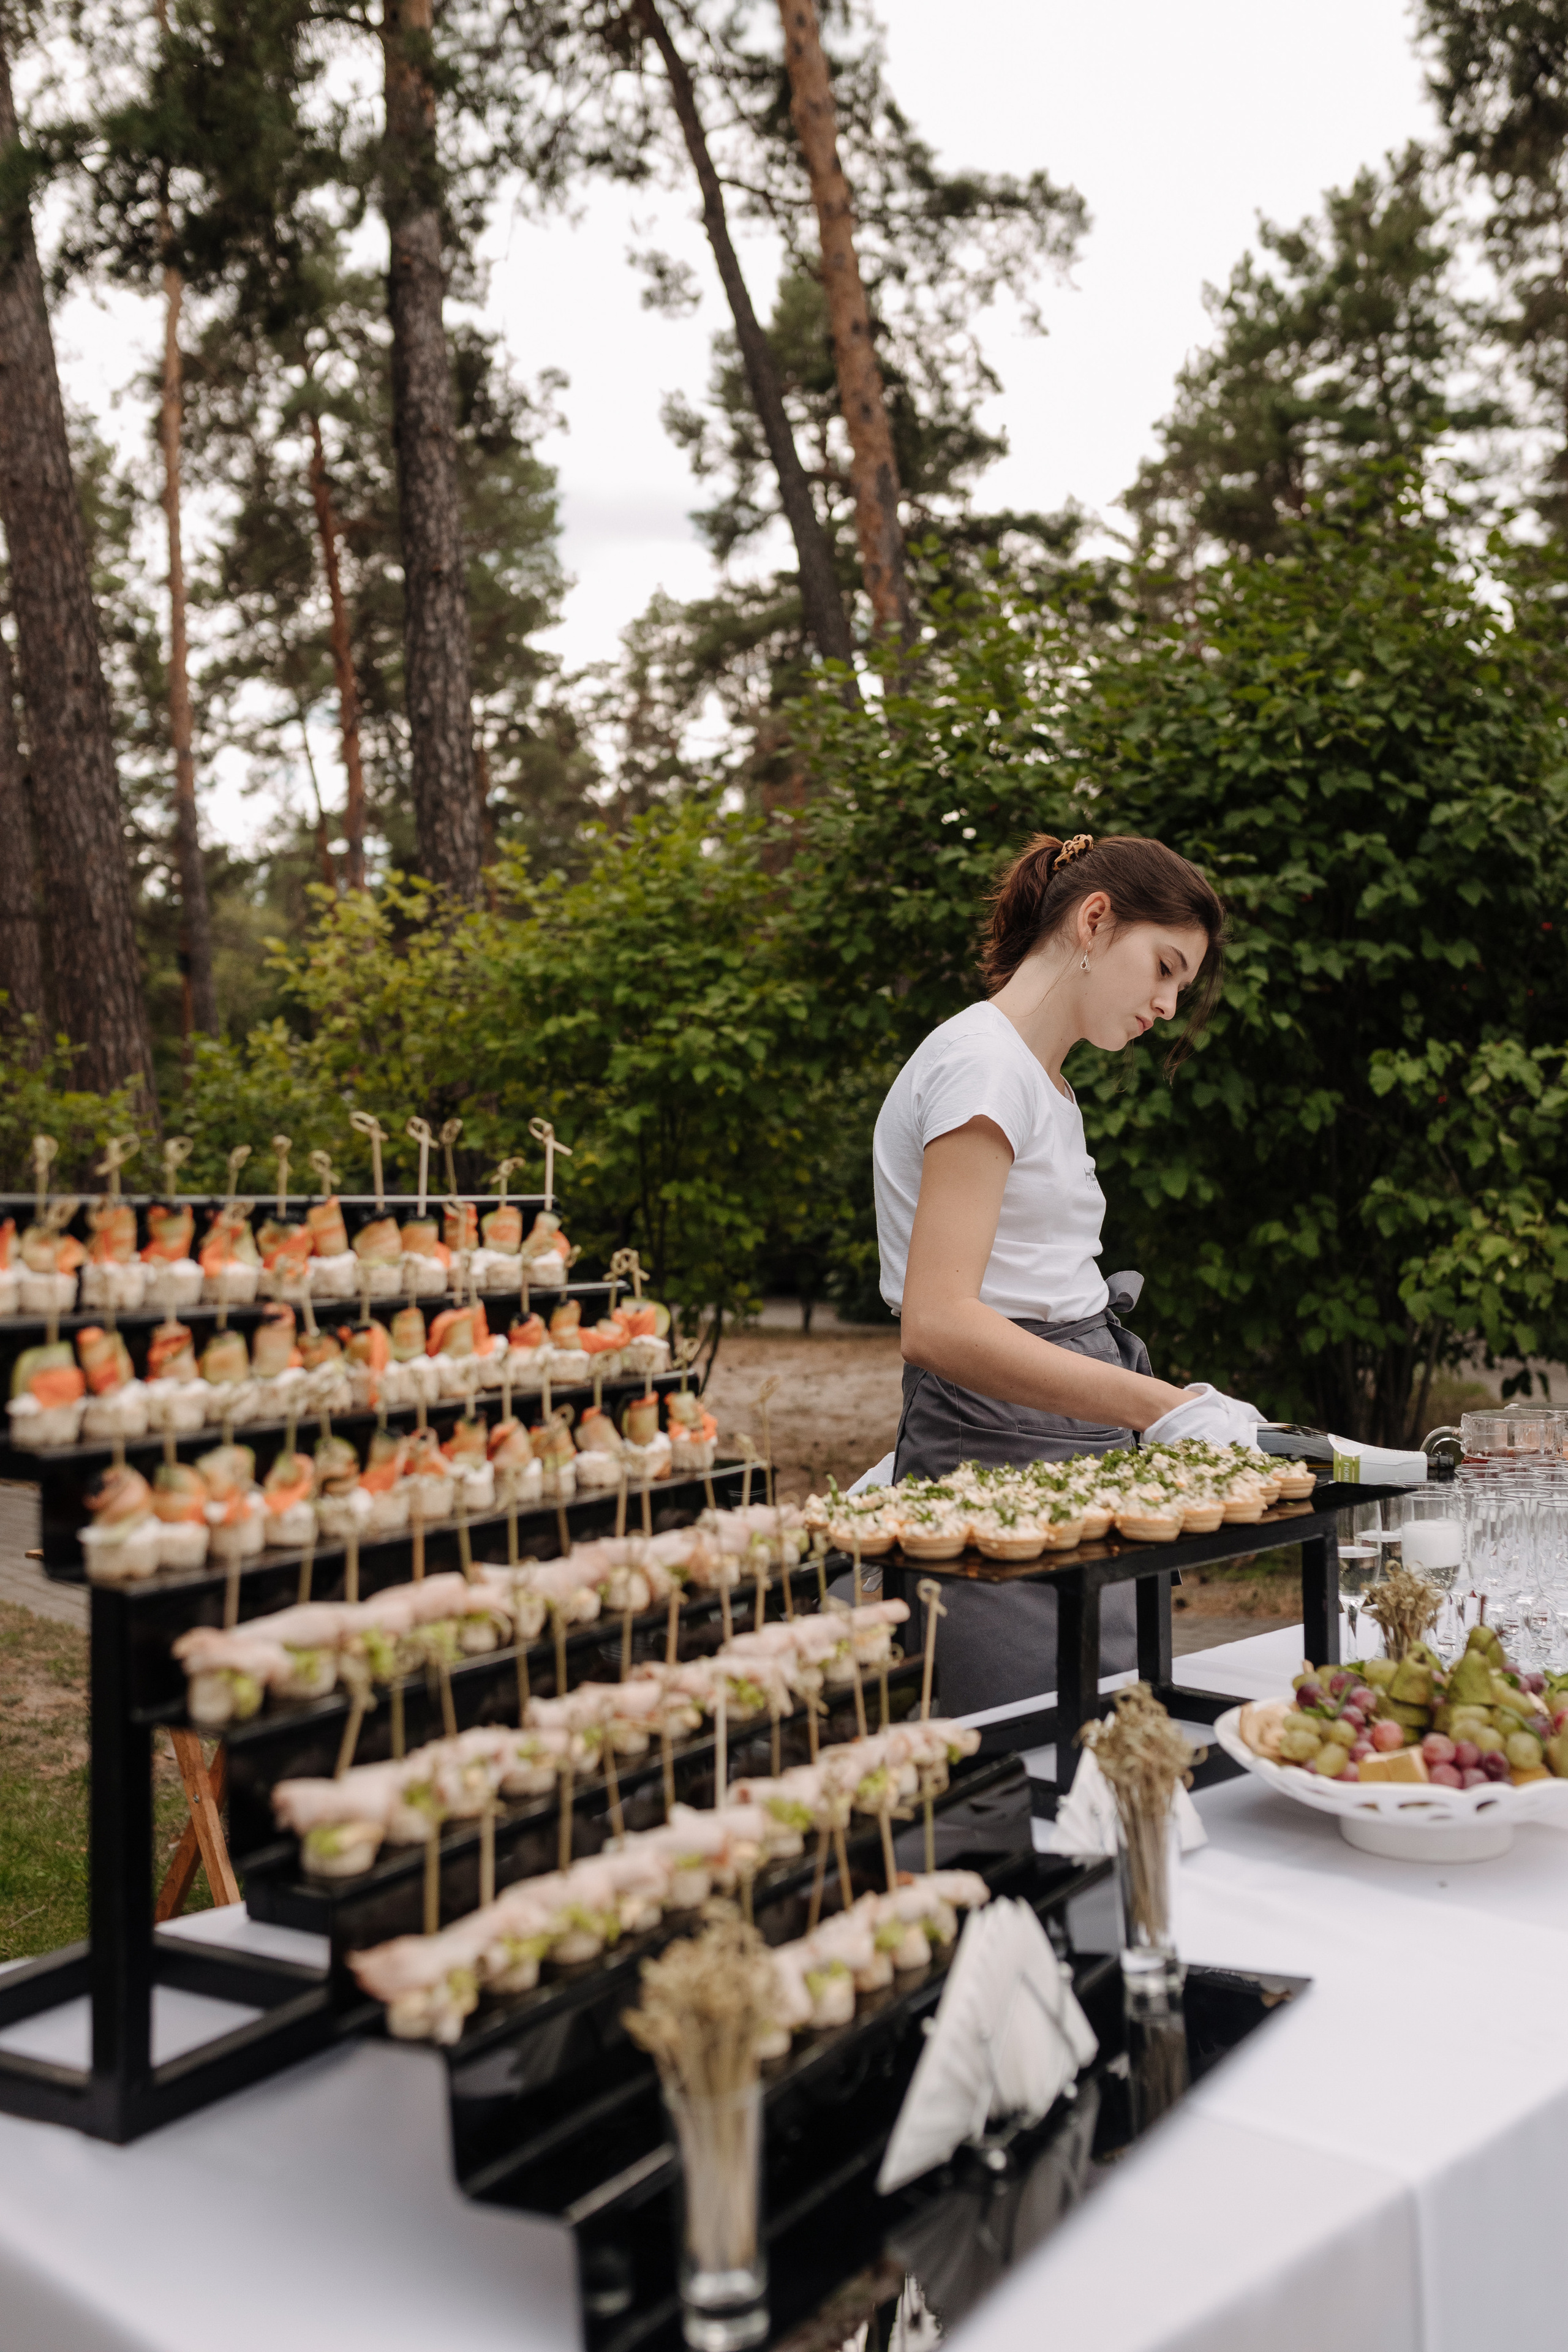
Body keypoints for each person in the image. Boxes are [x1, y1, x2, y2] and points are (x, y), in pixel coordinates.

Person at [874, 829, 1253, 1735]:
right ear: (1095, 920)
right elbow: (939, 1322)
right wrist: (1159, 1406)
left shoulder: (1038, 1077)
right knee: (1035, 1740)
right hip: (997, 1439)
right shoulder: (984, 1066)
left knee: (1108, 1723)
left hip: (1056, 1431)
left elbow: (1036, 1281)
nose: (1167, 1005)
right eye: (1164, 968)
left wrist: (1167, 1406)